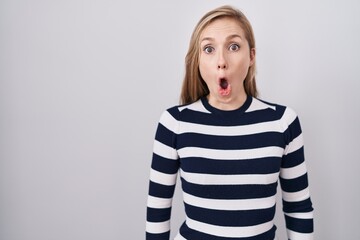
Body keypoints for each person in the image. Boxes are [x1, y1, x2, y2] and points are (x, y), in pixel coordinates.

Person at [146, 5, 314, 240]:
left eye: (233, 46)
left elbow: (298, 208)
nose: (221, 61)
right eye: (209, 49)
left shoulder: (283, 122)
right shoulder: (174, 123)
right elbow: (157, 211)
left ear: (251, 56)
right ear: (198, 60)